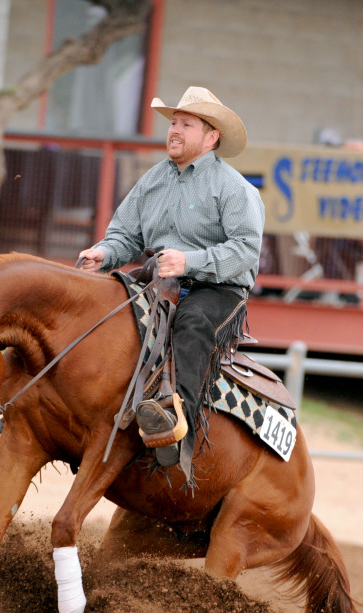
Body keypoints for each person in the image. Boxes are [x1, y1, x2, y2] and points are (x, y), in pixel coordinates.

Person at [78, 86, 264, 478]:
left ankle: (178, 437)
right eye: (173, 123)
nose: (174, 131)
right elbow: (126, 236)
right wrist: (104, 253)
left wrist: (189, 261)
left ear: (211, 137)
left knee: (192, 327)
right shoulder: (152, 180)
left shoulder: (234, 189)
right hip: (158, 278)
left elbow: (246, 251)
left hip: (216, 288)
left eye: (186, 124)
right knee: (103, 312)